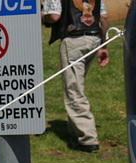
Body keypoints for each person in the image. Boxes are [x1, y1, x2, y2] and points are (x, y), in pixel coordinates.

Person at [43, 0, 109, 153]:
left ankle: (87, 139)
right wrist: (103, 45)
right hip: (94, 39)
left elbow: (54, 16)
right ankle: (75, 133)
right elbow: (103, 18)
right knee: (77, 86)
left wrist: (42, 17)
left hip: (73, 40)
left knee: (74, 91)